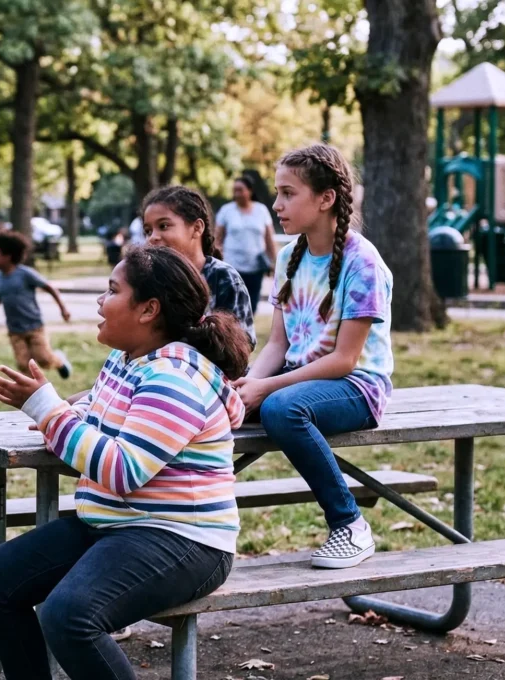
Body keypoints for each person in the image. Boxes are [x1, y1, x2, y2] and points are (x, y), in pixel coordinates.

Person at [0, 245, 250, 680]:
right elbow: (96, 419)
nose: (100, 302)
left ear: (148, 310)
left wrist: (49, 412)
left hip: (185, 539)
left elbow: (123, 471)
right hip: (116, 524)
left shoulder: (173, 380)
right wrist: (62, 420)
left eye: (112, 290)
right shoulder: (126, 362)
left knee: (69, 616)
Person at [233, 144, 394, 569]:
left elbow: (345, 360)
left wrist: (267, 389)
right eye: (277, 192)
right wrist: (249, 384)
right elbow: (277, 345)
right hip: (297, 379)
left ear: (326, 199)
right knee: (218, 398)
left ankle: (350, 524)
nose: (276, 204)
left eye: (288, 193)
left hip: (356, 387)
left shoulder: (363, 263)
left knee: (282, 409)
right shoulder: (289, 257)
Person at [142, 185, 256, 348]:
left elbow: (242, 344)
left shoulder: (223, 278)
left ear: (197, 228)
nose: (152, 237)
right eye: (148, 231)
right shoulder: (150, 280)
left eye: (163, 226)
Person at [0, 231, 73, 379]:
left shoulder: (25, 274)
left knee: (43, 358)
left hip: (34, 326)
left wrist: (63, 309)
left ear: (8, 256)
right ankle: (34, 389)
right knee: (23, 364)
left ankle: (59, 361)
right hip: (14, 330)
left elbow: (50, 288)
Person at [216, 176, 279, 312]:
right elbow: (217, 238)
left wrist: (274, 262)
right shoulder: (226, 210)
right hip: (232, 266)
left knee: (252, 304)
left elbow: (269, 238)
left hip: (255, 267)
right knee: (231, 305)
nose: (237, 193)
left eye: (240, 190)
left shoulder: (261, 210)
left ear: (250, 191)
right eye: (235, 190)